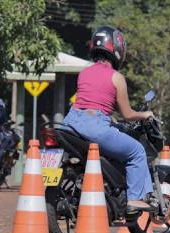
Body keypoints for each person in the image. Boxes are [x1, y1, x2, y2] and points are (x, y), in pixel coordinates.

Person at [63, 26, 155, 210]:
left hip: (70, 123)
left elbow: (90, 101)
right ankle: (134, 200)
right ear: (118, 49)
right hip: (95, 127)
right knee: (137, 152)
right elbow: (127, 115)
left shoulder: (84, 73)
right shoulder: (116, 77)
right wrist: (145, 114)